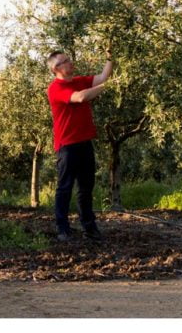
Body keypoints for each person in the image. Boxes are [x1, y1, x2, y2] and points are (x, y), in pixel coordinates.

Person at [46, 48, 113, 242]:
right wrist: (109, 86)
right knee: (65, 188)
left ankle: (89, 228)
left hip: (85, 143)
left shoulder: (79, 81)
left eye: (68, 59)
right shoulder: (55, 88)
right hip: (67, 146)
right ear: (56, 69)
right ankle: (62, 229)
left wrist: (111, 57)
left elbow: (102, 76)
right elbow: (81, 97)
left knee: (86, 188)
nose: (70, 62)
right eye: (65, 61)